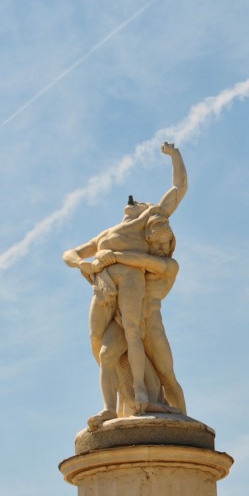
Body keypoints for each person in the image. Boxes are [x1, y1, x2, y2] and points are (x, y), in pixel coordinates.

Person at [62, 142, 187, 424]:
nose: (134, 202)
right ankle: (112, 406)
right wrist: (83, 264)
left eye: (141, 202)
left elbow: (179, 189)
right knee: (100, 347)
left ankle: (147, 395)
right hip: (107, 291)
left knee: (153, 358)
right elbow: (71, 253)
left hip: (132, 289)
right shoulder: (105, 235)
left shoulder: (145, 222)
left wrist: (175, 156)